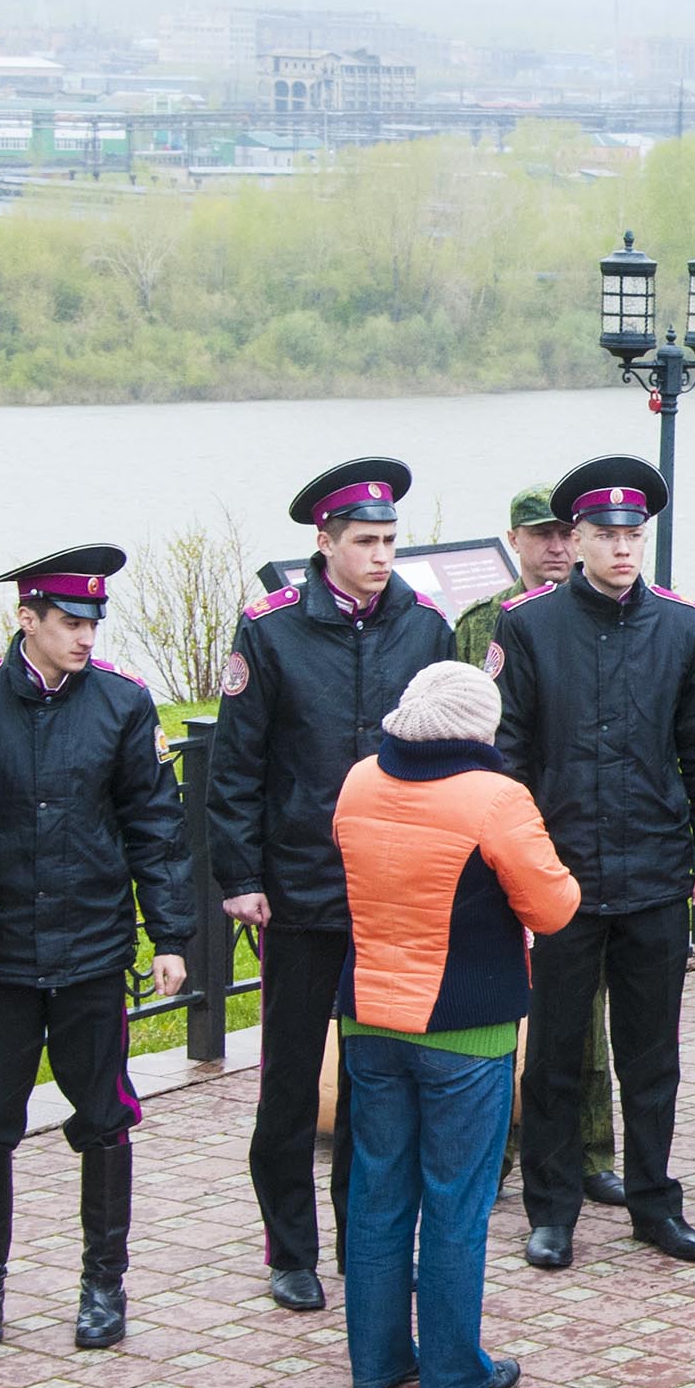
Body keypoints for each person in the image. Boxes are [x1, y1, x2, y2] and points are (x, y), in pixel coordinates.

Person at [0, 546, 190, 1354]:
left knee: (106, 1118)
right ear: (26, 619)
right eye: (69, 622)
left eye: (93, 623)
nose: (85, 638)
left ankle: (103, 1285)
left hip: (92, 948)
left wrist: (169, 935)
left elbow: (155, 825)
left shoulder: (121, 703)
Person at [210, 457, 454, 1312]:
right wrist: (240, 875)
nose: (382, 556)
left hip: (389, 893)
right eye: (365, 542)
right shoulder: (271, 631)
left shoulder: (425, 627)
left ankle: (364, 1237)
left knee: (374, 1080)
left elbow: (443, 756)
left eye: (391, 540)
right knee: (287, 1080)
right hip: (301, 890)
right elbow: (235, 765)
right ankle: (290, 1247)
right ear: (325, 542)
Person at [490, 455, 695, 1271]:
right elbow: (509, 756)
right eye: (604, 534)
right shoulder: (529, 626)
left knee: (650, 1053)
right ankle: (552, 1209)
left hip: (656, 872)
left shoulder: (679, 624)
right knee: (558, 1052)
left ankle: (654, 1203)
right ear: (578, 539)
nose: (622, 548)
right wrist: (517, 865)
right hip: (562, 876)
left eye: (633, 534)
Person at [330, 663, 579, 1388]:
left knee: (376, 1193)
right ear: (479, 730)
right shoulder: (494, 798)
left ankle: (376, 1362)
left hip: (370, 1015)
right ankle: (451, 1371)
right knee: (455, 1203)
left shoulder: (358, 781)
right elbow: (554, 909)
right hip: (464, 1026)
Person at [454, 485, 629, 1210]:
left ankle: (589, 1151)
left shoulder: (598, 617)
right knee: (492, 1006)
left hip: (572, 845)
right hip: (492, 837)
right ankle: (490, 1151)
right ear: (515, 541)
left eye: (566, 534)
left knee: (579, 1012)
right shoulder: (478, 626)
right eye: (542, 535)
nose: (555, 547)